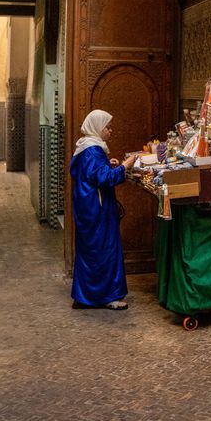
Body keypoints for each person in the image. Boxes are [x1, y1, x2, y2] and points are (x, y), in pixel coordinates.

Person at [70, 109, 137, 310]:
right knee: (104, 249)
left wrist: (108, 164)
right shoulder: (92, 150)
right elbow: (105, 179)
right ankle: (107, 296)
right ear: (97, 127)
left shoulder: (86, 147)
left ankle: (85, 295)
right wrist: (125, 166)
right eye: (107, 126)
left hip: (87, 207)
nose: (110, 130)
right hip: (97, 210)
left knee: (89, 251)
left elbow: (94, 172)